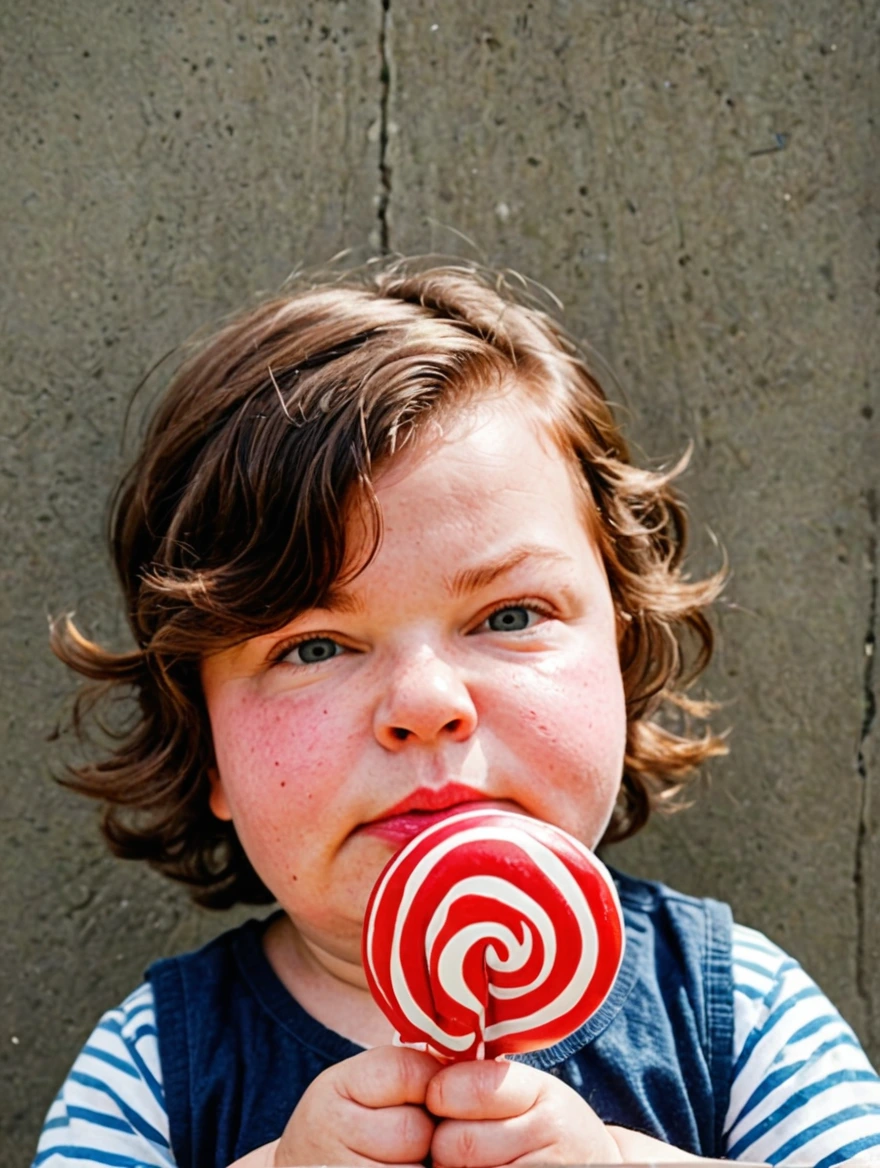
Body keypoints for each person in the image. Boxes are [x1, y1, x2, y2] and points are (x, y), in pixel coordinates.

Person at [34, 262, 880, 1168]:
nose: (427, 704)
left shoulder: (735, 1011)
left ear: (623, 665)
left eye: (510, 617)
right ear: (205, 752)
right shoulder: (153, 1069)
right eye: (313, 647)